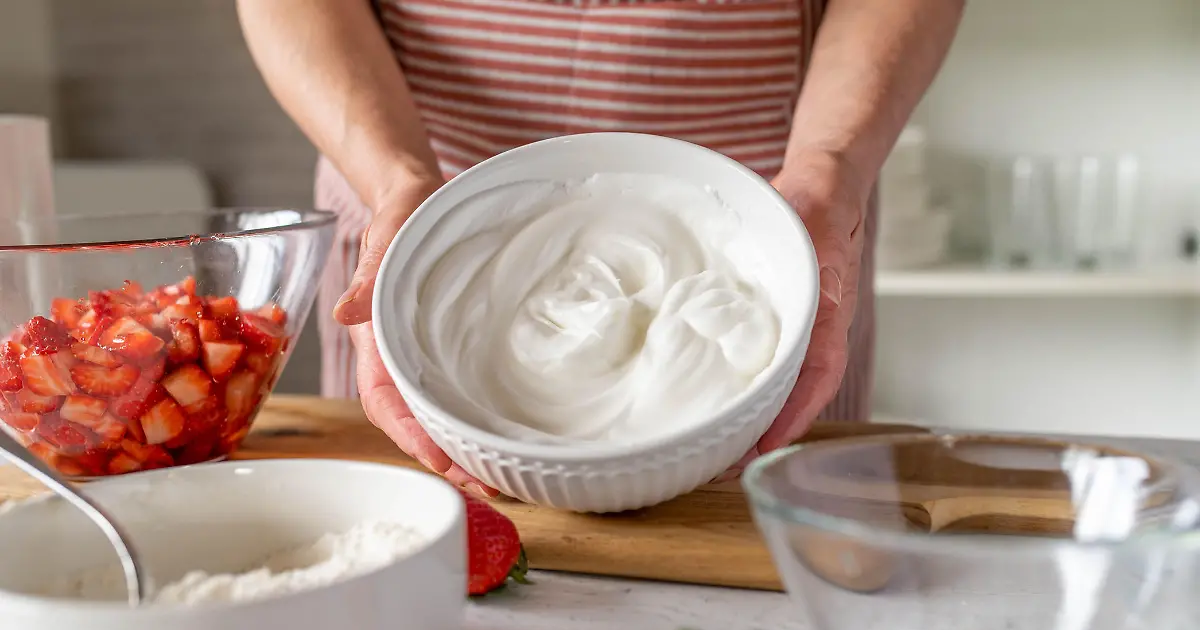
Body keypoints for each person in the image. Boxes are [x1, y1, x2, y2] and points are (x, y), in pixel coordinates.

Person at [238, 0, 964, 496]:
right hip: (410, 187)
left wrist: (829, 166)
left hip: (777, 205)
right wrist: (393, 181)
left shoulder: (784, 227)